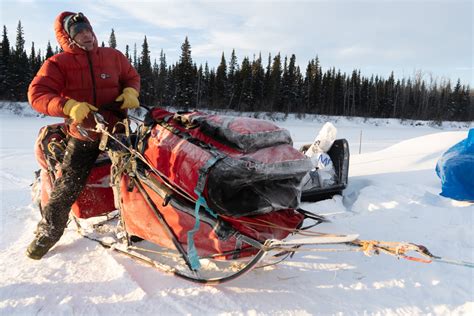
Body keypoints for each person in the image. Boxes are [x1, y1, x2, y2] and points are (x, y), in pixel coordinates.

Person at [26, 11, 140, 259]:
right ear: (68, 37)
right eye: (79, 32)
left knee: (140, 174)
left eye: (88, 30)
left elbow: (131, 76)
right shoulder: (58, 64)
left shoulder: (113, 57)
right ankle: (49, 231)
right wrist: (67, 106)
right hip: (85, 132)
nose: (87, 36)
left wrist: (131, 91)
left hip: (118, 130)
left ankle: (141, 222)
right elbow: (37, 95)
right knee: (69, 182)